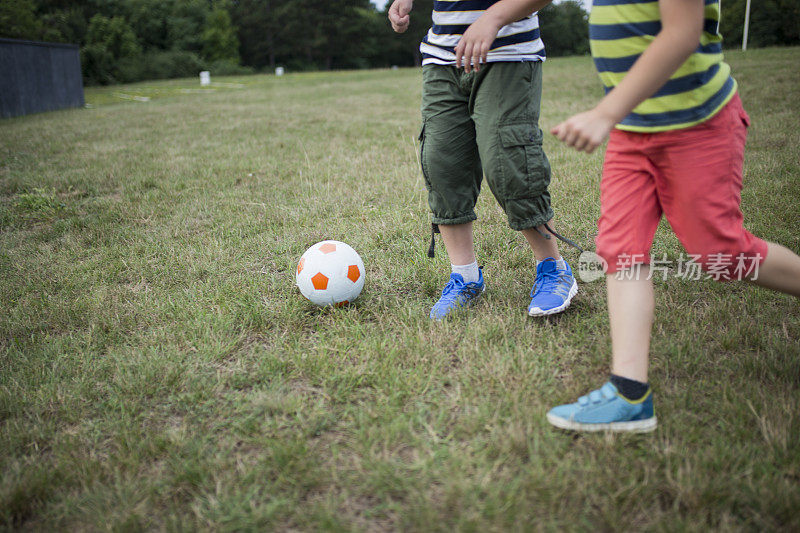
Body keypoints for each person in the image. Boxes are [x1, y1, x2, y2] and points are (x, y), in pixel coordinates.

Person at [546, 0, 800, 432]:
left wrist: (606, 112)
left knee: (721, 253)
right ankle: (629, 393)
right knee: (620, 251)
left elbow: (682, 32)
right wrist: (493, 17)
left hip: (696, 127)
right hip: (632, 131)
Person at [388, 0, 580, 320]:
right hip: (442, 56)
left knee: (509, 162)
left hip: (507, 54)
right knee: (442, 162)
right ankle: (465, 276)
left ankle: (554, 268)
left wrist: (493, 18)